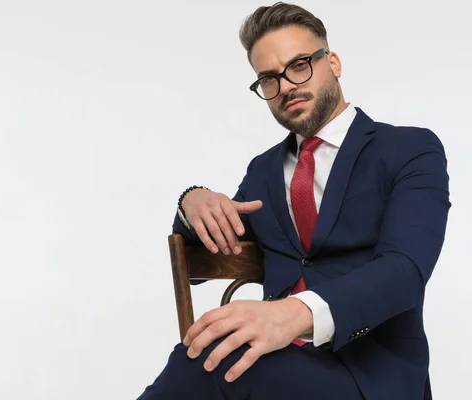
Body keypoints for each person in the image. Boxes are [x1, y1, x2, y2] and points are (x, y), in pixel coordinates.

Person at [137, 2, 450, 399]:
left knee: (215, 357)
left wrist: (292, 315)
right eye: (268, 79)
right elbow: (203, 262)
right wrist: (191, 202)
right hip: (281, 365)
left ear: (333, 63)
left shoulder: (409, 149)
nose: (285, 85)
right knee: (209, 353)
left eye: (299, 64)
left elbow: (405, 271)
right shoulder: (263, 171)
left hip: (371, 378)